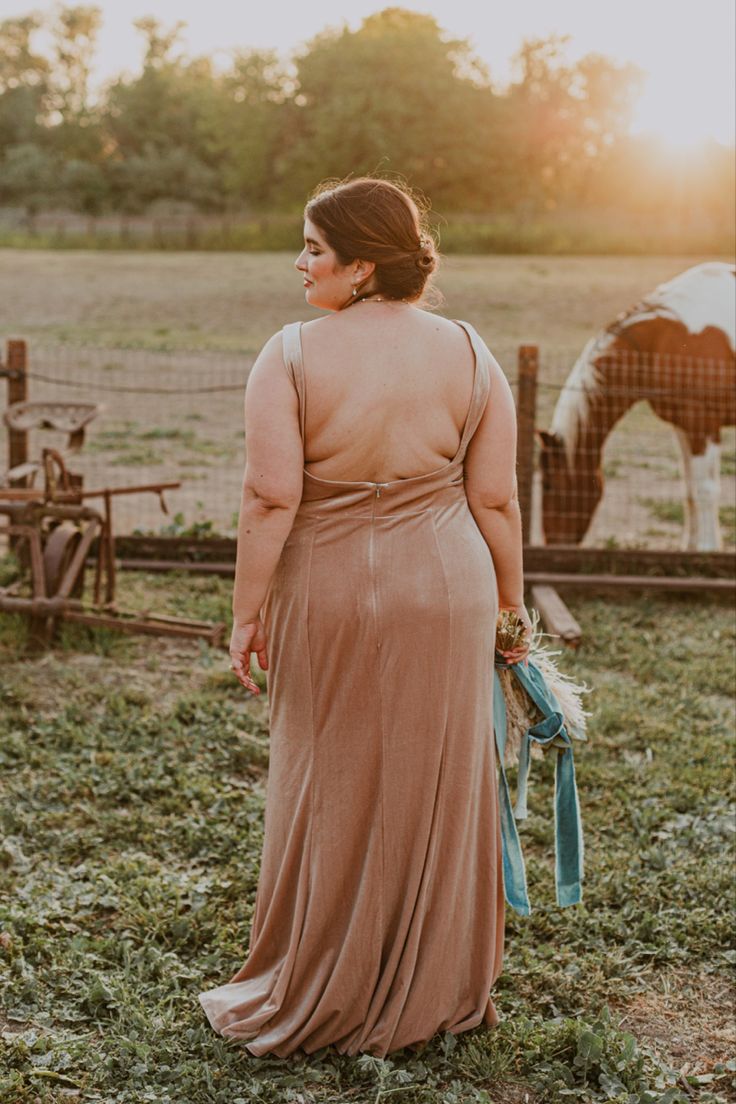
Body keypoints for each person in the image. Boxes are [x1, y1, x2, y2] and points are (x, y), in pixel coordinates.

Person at [198, 175, 532, 1058]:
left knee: (328, 774)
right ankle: (435, 986)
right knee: (439, 777)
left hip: (333, 583)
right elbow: (494, 499)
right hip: (450, 585)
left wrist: (246, 613)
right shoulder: (470, 350)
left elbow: (272, 497)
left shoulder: (294, 354)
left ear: (362, 266)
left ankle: (321, 982)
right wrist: (509, 606)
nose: (299, 263)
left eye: (314, 248)